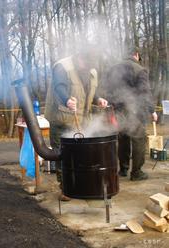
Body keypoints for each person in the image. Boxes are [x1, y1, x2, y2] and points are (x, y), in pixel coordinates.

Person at [44, 49, 108, 200]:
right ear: (79, 57)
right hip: (62, 119)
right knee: (63, 154)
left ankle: (80, 185)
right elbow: (59, 87)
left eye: (90, 65)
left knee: (81, 155)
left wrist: (98, 99)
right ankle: (65, 188)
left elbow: (90, 92)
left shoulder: (91, 71)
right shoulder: (62, 67)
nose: (87, 67)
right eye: (85, 63)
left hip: (82, 120)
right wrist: (67, 100)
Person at [105, 47, 157, 181]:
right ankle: (137, 172)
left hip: (118, 110)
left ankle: (123, 169)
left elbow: (107, 90)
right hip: (136, 110)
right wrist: (152, 110)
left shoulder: (113, 69)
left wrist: (112, 105)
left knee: (123, 139)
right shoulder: (139, 70)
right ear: (136, 54)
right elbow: (144, 92)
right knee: (139, 139)